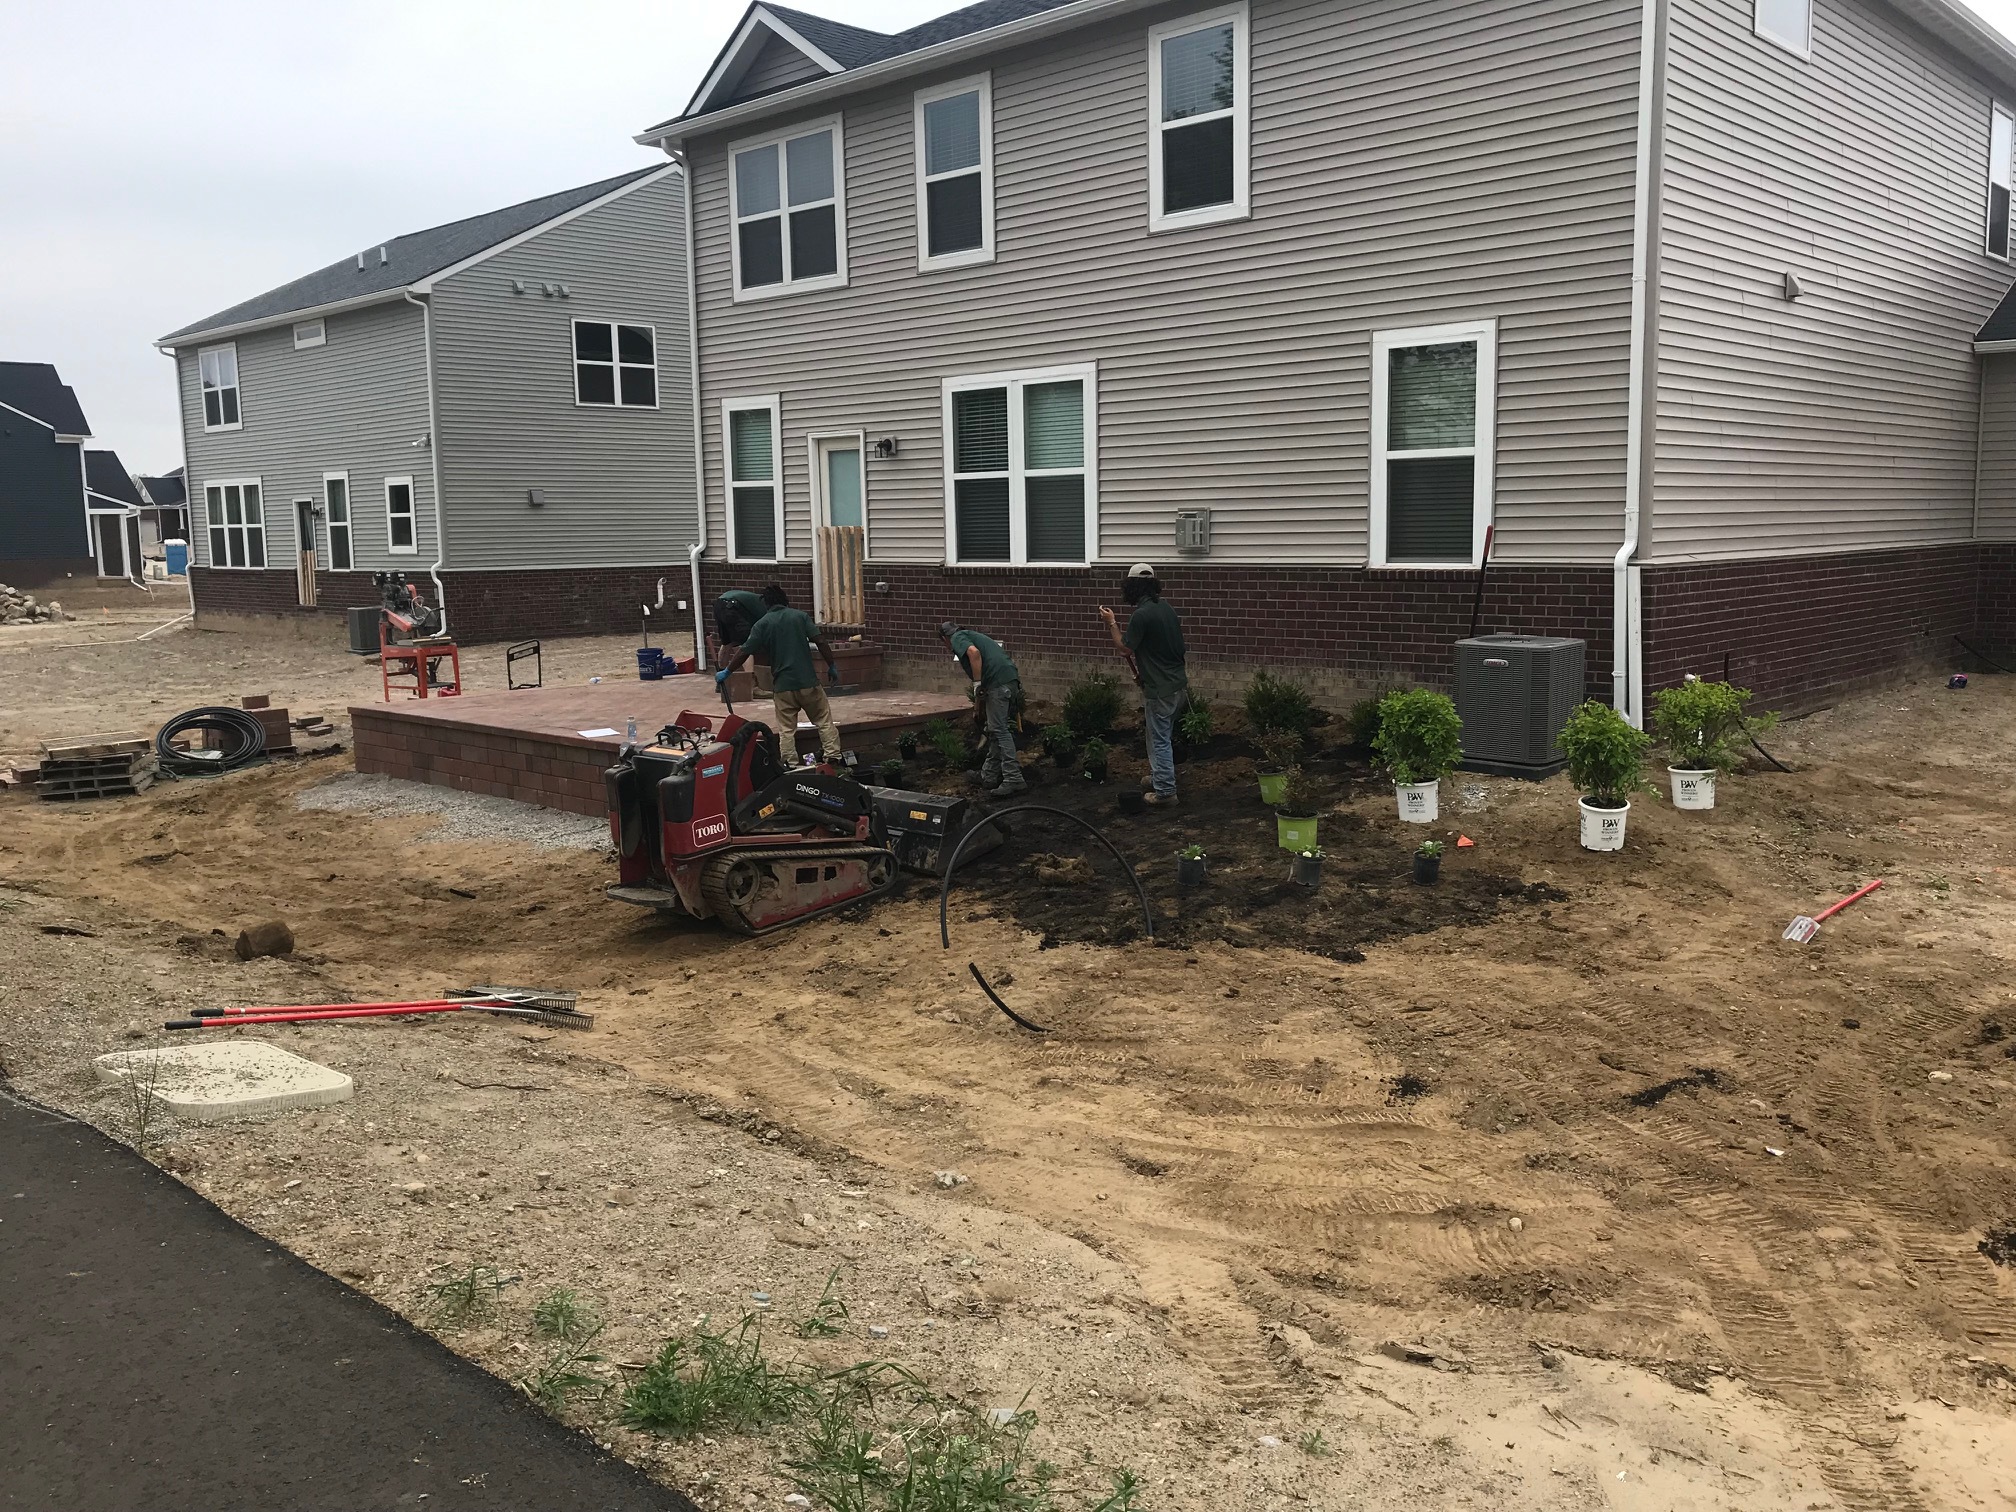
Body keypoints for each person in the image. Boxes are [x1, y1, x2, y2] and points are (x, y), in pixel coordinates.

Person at [714, 586, 844, 763]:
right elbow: (820, 641)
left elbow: (744, 651)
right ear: (785, 600)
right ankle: (832, 758)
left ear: (766, 604)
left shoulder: (762, 624)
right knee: (823, 721)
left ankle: (790, 763)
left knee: (786, 730)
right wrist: (831, 665)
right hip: (808, 682)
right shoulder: (800, 617)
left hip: (783, 687)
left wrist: (727, 671)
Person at [1099, 563, 1188, 808]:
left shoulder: (1142, 615)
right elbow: (1165, 649)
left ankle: (1166, 792)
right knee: (1160, 735)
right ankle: (1161, 776)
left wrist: (1111, 622)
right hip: (1176, 685)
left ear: (1133, 587)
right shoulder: (1166, 608)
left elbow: (1125, 648)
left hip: (1160, 690)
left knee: (1159, 739)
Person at [937, 620, 1027, 798]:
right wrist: (977, 709)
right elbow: (982, 689)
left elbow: (974, 654)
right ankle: (989, 775)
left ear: (944, 638)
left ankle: (1014, 778)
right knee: (994, 729)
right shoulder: (972, 635)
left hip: (999, 685)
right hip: (1006, 681)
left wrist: (977, 684)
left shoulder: (957, 637)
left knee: (1000, 730)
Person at [712, 587, 770, 664]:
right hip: (733, 607)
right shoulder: (768, 610)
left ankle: (721, 672)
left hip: (719, 604)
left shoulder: (759, 603)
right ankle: (750, 675)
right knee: (747, 646)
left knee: (727, 643)